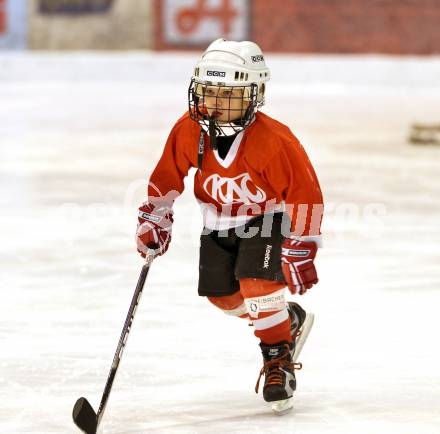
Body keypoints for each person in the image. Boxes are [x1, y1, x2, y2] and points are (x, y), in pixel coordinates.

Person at [136, 38, 323, 412]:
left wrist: (303, 242)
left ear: (255, 95)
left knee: (258, 286)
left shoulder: (274, 140)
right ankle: (285, 321)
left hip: (266, 219)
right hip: (218, 223)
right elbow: (168, 175)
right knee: (223, 296)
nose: (216, 103)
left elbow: (306, 192)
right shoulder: (189, 129)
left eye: (229, 94)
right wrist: (156, 214)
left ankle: (278, 360)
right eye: (208, 91)